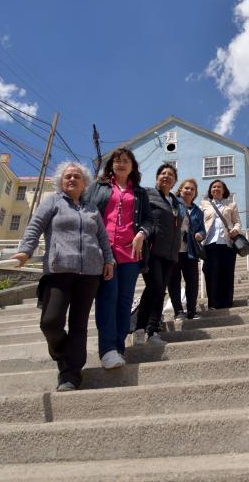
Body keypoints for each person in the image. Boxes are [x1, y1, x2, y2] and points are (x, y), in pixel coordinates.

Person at [12, 162, 114, 392]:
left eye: (77, 176)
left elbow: (102, 237)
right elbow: (35, 226)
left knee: (79, 326)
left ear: (85, 183)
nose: (72, 179)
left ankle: (70, 375)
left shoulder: (91, 209)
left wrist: (109, 260)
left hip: (90, 274)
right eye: (68, 176)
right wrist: (26, 250)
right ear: (61, 181)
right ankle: (62, 354)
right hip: (58, 271)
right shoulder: (53, 202)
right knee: (50, 322)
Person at [86, 148, 151, 370]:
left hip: (131, 254)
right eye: (117, 161)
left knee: (124, 300)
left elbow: (148, 221)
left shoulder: (140, 193)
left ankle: (119, 347)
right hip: (105, 251)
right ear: (111, 166)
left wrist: (142, 233)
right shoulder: (99, 187)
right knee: (107, 297)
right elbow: (84, 209)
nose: (121, 164)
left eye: (125, 161)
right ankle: (107, 349)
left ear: (132, 166)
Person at [133, 163, 181, 345]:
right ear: (157, 177)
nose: (166, 176)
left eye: (170, 175)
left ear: (175, 181)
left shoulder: (175, 202)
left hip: (169, 254)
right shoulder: (147, 193)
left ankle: (152, 331)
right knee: (155, 287)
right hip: (151, 250)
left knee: (159, 291)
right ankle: (141, 329)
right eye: (163, 173)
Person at [201, 179, 241, 309]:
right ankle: (213, 303)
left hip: (227, 243)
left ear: (224, 190)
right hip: (210, 243)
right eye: (213, 187)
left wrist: (235, 230)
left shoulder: (231, 204)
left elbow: (237, 222)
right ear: (210, 190)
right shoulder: (204, 204)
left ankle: (227, 302)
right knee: (211, 272)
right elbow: (199, 222)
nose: (216, 189)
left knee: (227, 272)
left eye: (219, 187)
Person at [171, 178, 206, 320]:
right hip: (173, 250)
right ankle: (178, 311)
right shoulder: (173, 203)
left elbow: (202, 230)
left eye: (192, 189)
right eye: (186, 188)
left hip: (190, 251)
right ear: (180, 189)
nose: (189, 191)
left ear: (195, 193)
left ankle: (192, 311)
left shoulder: (198, 211)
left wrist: (200, 235)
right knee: (174, 281)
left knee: (192, 282)